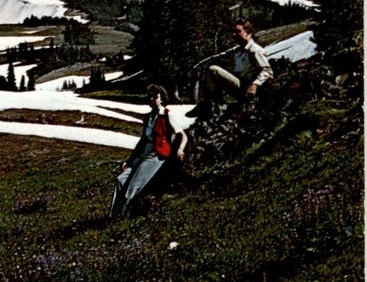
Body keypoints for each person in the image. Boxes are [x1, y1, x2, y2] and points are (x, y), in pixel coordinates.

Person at [109, 84, 187, 218]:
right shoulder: (148, 118)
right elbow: (142, 141)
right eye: (150, 96)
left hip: (157, 154)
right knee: (121, 179)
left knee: (134, 185)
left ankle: (124, 216)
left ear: (161, 99)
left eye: (155, 96)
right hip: (142, 154)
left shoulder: (166, 115)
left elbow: (182, 135)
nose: (152, 99)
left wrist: (180, 149)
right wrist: (129, 161)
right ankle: (112, 215)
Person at [186, 19, 273, 119]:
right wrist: (198, 66)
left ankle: (215, 104)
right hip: (240, 84)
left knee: (213, 70)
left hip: (248, 88)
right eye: (233, 32)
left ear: (248, 32)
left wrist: (255, 84)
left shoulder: (255, 50)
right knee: (213, 70)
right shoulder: (238, 49)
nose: (233, 34)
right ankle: (211, 103)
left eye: (237, 31)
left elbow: (267, 70)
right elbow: (219, 56)